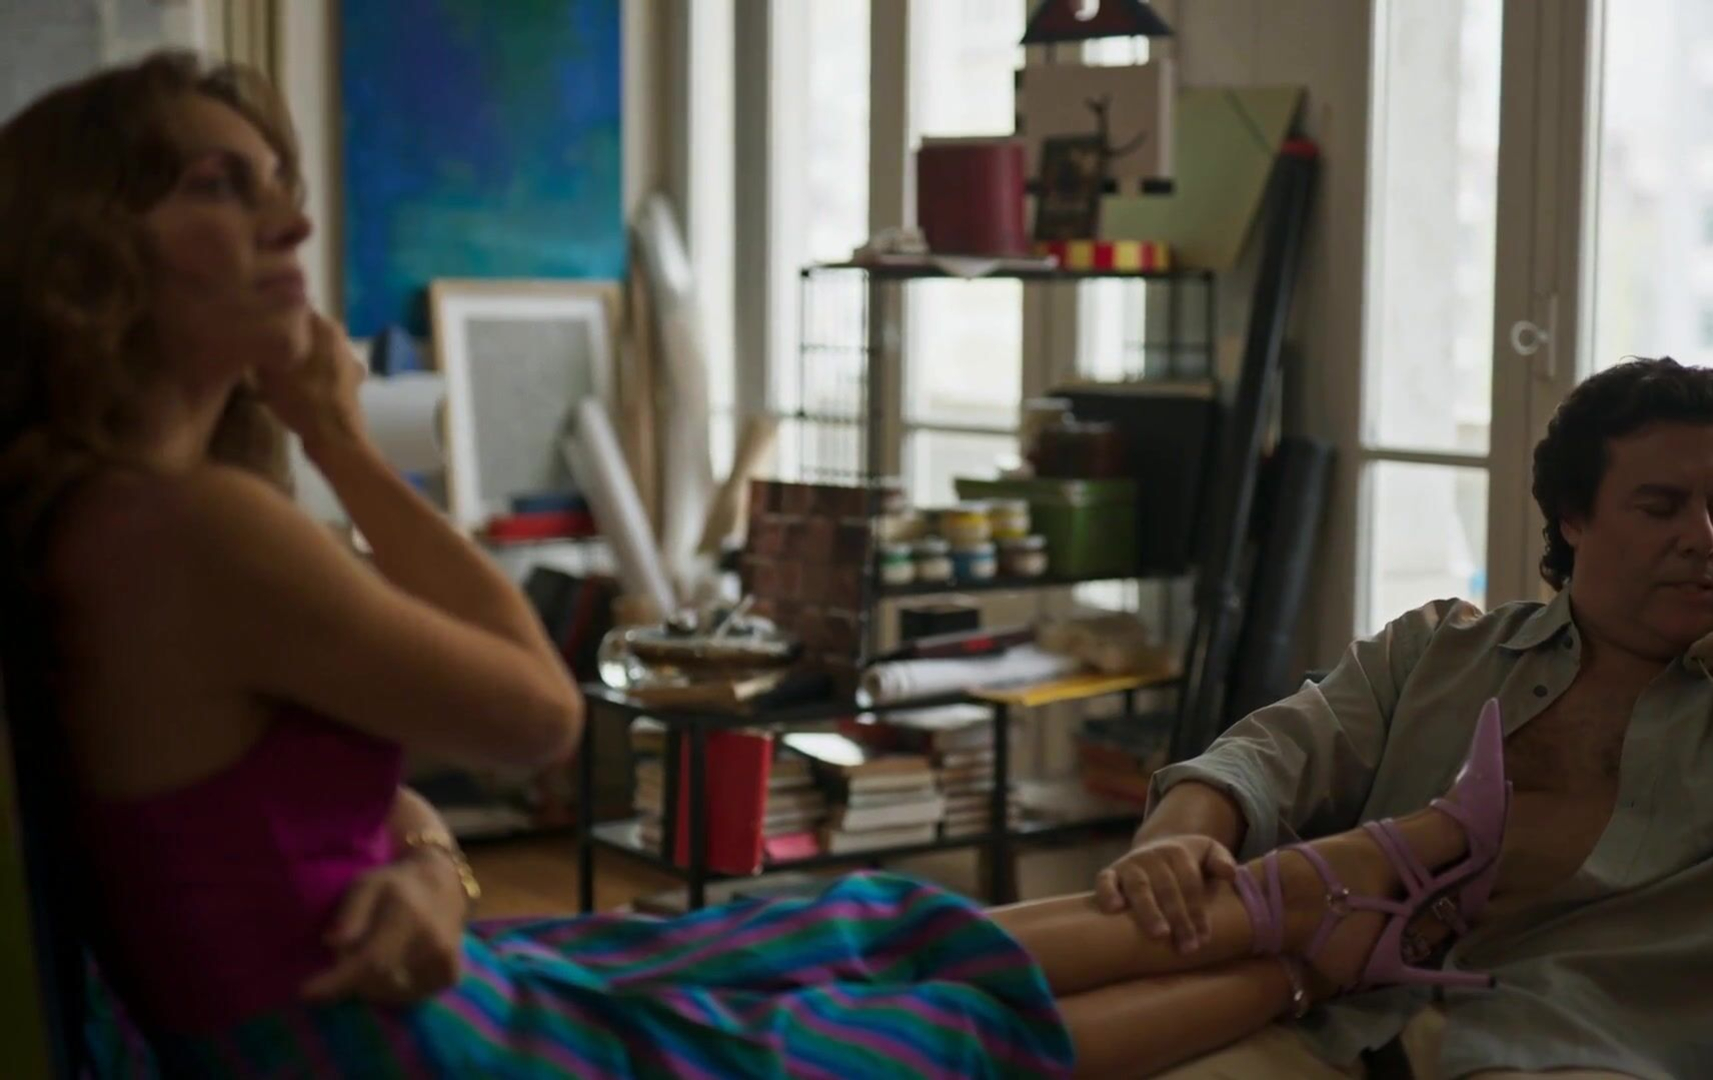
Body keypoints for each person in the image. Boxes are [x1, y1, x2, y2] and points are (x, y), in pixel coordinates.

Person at [0, 54, 1527, 1080]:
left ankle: (1343, 891)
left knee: (837, 924)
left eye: (273, 176)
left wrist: (417, 863)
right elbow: (535, 717)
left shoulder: (130, 511)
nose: (290, 216)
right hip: (374, 1046)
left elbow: (253, 807)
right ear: (91, 246)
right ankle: (1335, 944)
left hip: (374, 1000)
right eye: (219, 186)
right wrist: (337, 433)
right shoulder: (187, 527)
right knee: (895, 1036)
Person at [1099, 356, 1713, 1078]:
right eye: (1661, 506)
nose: (1703, 540)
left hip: (1577, 1051)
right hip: (1339, 1023)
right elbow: (1270, 752)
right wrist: (1177, 836)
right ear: (1573, 516)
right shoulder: (1437, 653)